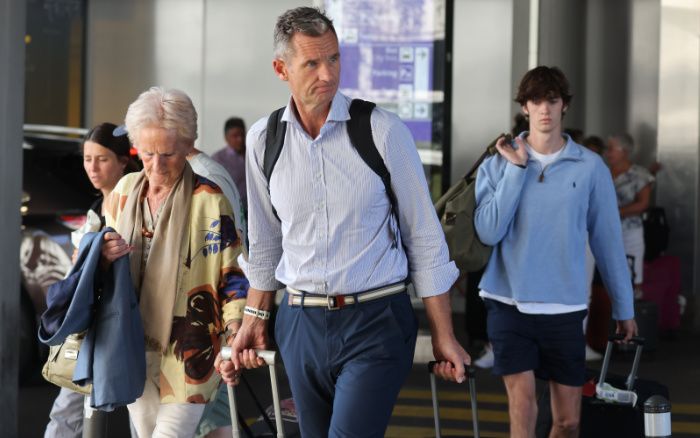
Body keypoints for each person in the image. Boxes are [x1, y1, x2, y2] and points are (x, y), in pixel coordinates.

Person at [218, 7, 469, 438]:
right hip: (299, 324)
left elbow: (425, 238)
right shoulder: (264, 139)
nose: (327, 74)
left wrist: (443, 333)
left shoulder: (383, 132)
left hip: (377, 320)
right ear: (282, 69)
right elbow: (265, 244)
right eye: (312, 63)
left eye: (333, 59)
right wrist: (255, 319)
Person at [474, 66, 637, 437]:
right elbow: (488, 231)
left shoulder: (591, 167)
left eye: (552, 100)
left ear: (564, 106)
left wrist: (624, 308)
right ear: (525, 108)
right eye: (536, 101)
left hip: (564, 308)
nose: (544, 109)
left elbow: (608, 242)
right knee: (523, 409)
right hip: (508, 303)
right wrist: (516, 170)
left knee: (568, 421)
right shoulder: (498, 160)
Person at [100, 86, 248, 438]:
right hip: (131, 342)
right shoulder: (123, 193)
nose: (155, 165)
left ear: (187, 146)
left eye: (167, 153)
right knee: (145, 431)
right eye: (146, 153)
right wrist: (103, 255)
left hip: (191, 349)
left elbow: (233, 276)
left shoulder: (209, 201)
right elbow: (102, 267)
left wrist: (234, 337)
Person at [44, 122, 139, 438]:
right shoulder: (98, 207)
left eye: (102, 159)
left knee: (143, 415)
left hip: (128, 320)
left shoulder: (136, 204)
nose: (93, 167)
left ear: (123, 161)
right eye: (87, 158)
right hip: (95, 322)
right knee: (69, 411)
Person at [605, 133, 655, 295]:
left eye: (611, 149)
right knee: (606, 276)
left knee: (632, 275)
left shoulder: (640, 174)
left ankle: (630, 316)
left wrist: (616, 213)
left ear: (625, 151)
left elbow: (643, 203)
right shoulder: (603, 172)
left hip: (629, 232)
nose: (607, 153)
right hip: (604, 232)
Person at [212, 117, 247, 209]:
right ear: (226, 138)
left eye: (242, 135)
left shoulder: (252, 154)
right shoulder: (218, 159)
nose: (240, 139)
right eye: (235, 136)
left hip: (252, 210)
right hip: (231, 210)